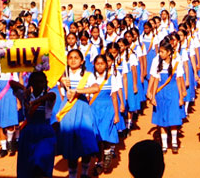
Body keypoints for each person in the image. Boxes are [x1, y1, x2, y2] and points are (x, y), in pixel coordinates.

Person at [58, 49, 100, 178]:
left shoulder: (87, 75)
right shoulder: (64, 75)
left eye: (76, 58)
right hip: (68, 111)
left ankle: (84, 173)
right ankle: (72, 174)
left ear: (82, 61)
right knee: (70, 142)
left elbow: (95, 87)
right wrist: (61, 80)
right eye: (70, 57)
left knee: (85, 141)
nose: (73, 60)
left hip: (83, 109)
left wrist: (78, 90)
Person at [147, 39, 186, 154]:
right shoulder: (156, 61)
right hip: (161, 93)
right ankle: (164, 145)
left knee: (173, 117)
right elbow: (154, 79)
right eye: (160, 51)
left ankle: (174, 142)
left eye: (163, 51)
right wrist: (152, 96)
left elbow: (179, 80)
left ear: (169, 52)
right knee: (161, 119)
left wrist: (181, 97)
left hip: (173, 92)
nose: (160, 54)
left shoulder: (176, 62)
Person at [16, 72, 57, 178]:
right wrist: (25, 89)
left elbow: (51, 95)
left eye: (41, 82)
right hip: (28, 133)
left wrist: (34, 102)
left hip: (44, 134)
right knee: (28, 166)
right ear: (31, 83)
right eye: (35, 82)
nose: (39, 84)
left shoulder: (48, 97)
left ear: (45, 83)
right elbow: (12, 83)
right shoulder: (26, 95)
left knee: (41, 165)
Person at [89, 55, 122, 174]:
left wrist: (116, 114)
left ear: (106, 65)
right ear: (94, 65)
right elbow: (88, 95)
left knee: (105, 132)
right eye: (97, 64)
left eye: (102, 63)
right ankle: (99, 163)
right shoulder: (90, 77)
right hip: (94, 109)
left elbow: (114, 96)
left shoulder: (111, 77)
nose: (100, 66)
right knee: (97, 136)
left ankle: (107, 151)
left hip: (107, 109)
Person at [0, 68, 22, 158]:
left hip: (11, 99)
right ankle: (4, 148)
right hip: (0, 100)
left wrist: (18, 102)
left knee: (11, 124)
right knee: (1, 126)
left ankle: (9, 141)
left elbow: (16, 89)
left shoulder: (13, 73)